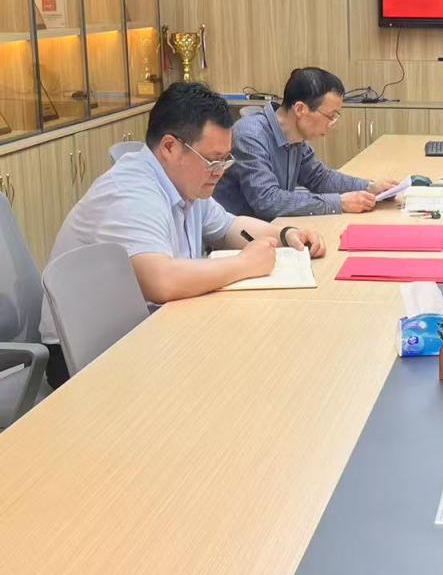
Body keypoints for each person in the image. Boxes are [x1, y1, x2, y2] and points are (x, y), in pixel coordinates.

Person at [39, 83, 325, 387]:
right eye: (213, 160)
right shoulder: (132, 192)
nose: (220, 171)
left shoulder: (185, 181)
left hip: (147, 329)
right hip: (88, 356)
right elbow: (162, 281)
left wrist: (285, 234)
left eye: (225, 160)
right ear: (170, 147)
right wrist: (245, 264)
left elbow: (228, 227)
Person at [214, 67, 396, 219]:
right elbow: (267, 201)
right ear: (300, 109)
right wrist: (339, 203)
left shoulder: (294, 137)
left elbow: (319, 178)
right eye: (330, 116)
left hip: (271, 228)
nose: (332, 124)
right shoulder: (250, 135)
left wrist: (370, 187)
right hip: (238, 240)